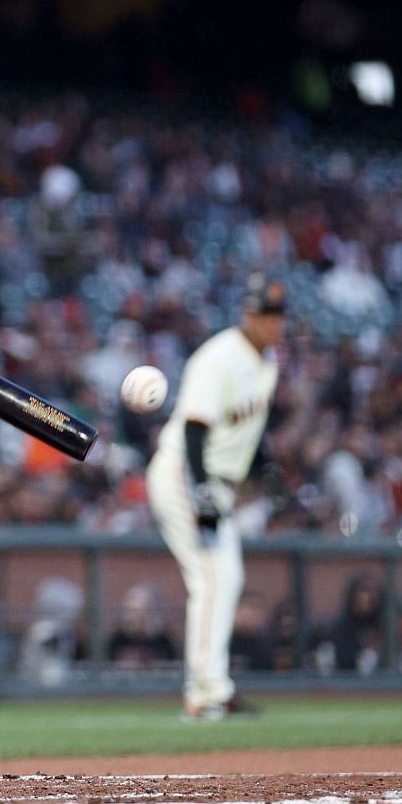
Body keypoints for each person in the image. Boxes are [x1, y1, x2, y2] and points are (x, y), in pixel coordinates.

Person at [146, 274, 284, 721]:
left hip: (215, 481)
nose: (274, 323)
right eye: (266, 314)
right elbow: (194, 426)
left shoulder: (268, 362)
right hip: (184, 473)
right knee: (211, 578)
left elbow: (248, 430)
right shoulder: (219, 356)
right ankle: (206, 693)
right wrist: (203, 487)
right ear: (247, 315)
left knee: (227, 577)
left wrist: (266, 468)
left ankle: (212, 688)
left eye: (279, 315)